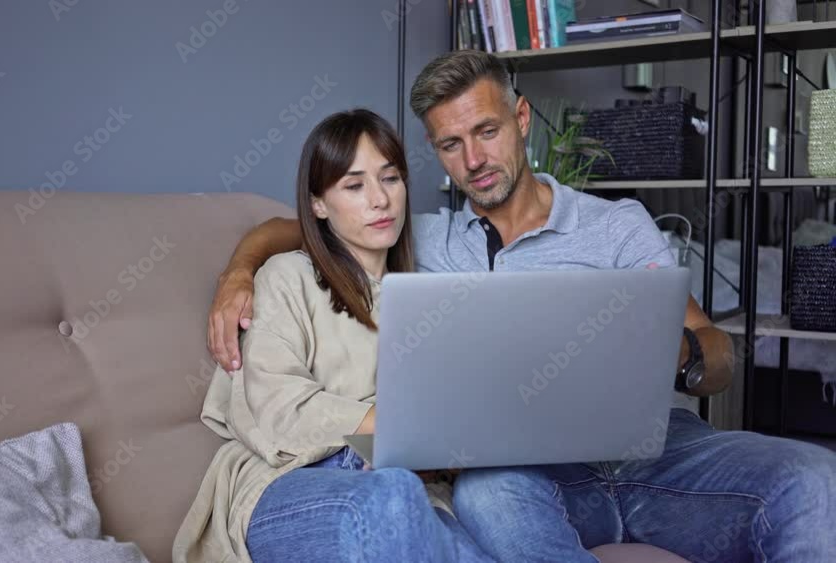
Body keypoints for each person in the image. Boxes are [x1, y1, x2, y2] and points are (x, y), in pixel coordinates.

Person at [204, 50, 836, 561]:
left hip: (659, 450)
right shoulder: (416, 238)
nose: (473, 161)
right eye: (450, 145)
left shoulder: (616, 226)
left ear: (522, 119)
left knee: (814, 479)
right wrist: (239, 270)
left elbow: (717, 352)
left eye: (486, 131)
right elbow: (313, 228)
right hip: (532, 474)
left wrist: (680, 352)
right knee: (488, 494)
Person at [174, 109, 495, 563]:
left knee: (454, 516)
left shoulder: (426, 296)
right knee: (394, 496)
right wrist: (391, 427)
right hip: (288, 484)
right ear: (319, 204)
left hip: (406, 490)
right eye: (354, 185)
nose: (380, 200)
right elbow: (278, 409)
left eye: (390, 179)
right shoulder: (286, 277)